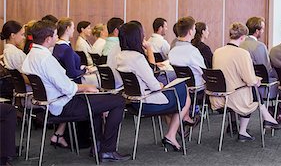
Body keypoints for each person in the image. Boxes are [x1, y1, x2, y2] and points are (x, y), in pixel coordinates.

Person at [21, 20, 130, 162]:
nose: (57, 37)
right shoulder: (46, 59)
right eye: (55, 35)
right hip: (63, 105)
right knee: (118, 101)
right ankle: (108, 150)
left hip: (49, 103)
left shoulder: (31, 55)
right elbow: (68, 88)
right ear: (48, 39)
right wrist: (86, 87)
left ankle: (97, 146)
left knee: (98, 102)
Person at [115, 22, 194, 151]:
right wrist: (161, 85)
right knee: (183, 89)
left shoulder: (121, 56)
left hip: (132, 101)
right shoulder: (137, 58)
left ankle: (176, 128)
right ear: (137, 37)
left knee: (177, 92)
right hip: (147, 101)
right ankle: (171, 134)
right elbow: (155, 87)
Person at [210, 22, 281, 142]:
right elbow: (249, 80)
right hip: (234, 97)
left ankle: (264, 120)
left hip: (217, 95)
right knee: (253, 89)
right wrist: (256, 80)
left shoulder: (218, 51)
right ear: (243, 38)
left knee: (251, 90)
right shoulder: (242, 53)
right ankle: (256, 124)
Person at [53, 18, 96, 85]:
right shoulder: (67, 49)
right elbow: (72, 73)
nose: (73, 30)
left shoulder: (57, 46)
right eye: (73, 28)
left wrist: (82, 67)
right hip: (71, 82)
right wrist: (85, 70)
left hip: (63, 81)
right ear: (67, 29)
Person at [169, 17, 206, 87]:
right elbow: (204, 72)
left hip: (181, 88)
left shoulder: (172, 51)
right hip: (197, 89)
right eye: (194, 28)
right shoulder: (193, 51)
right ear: (190, 31)